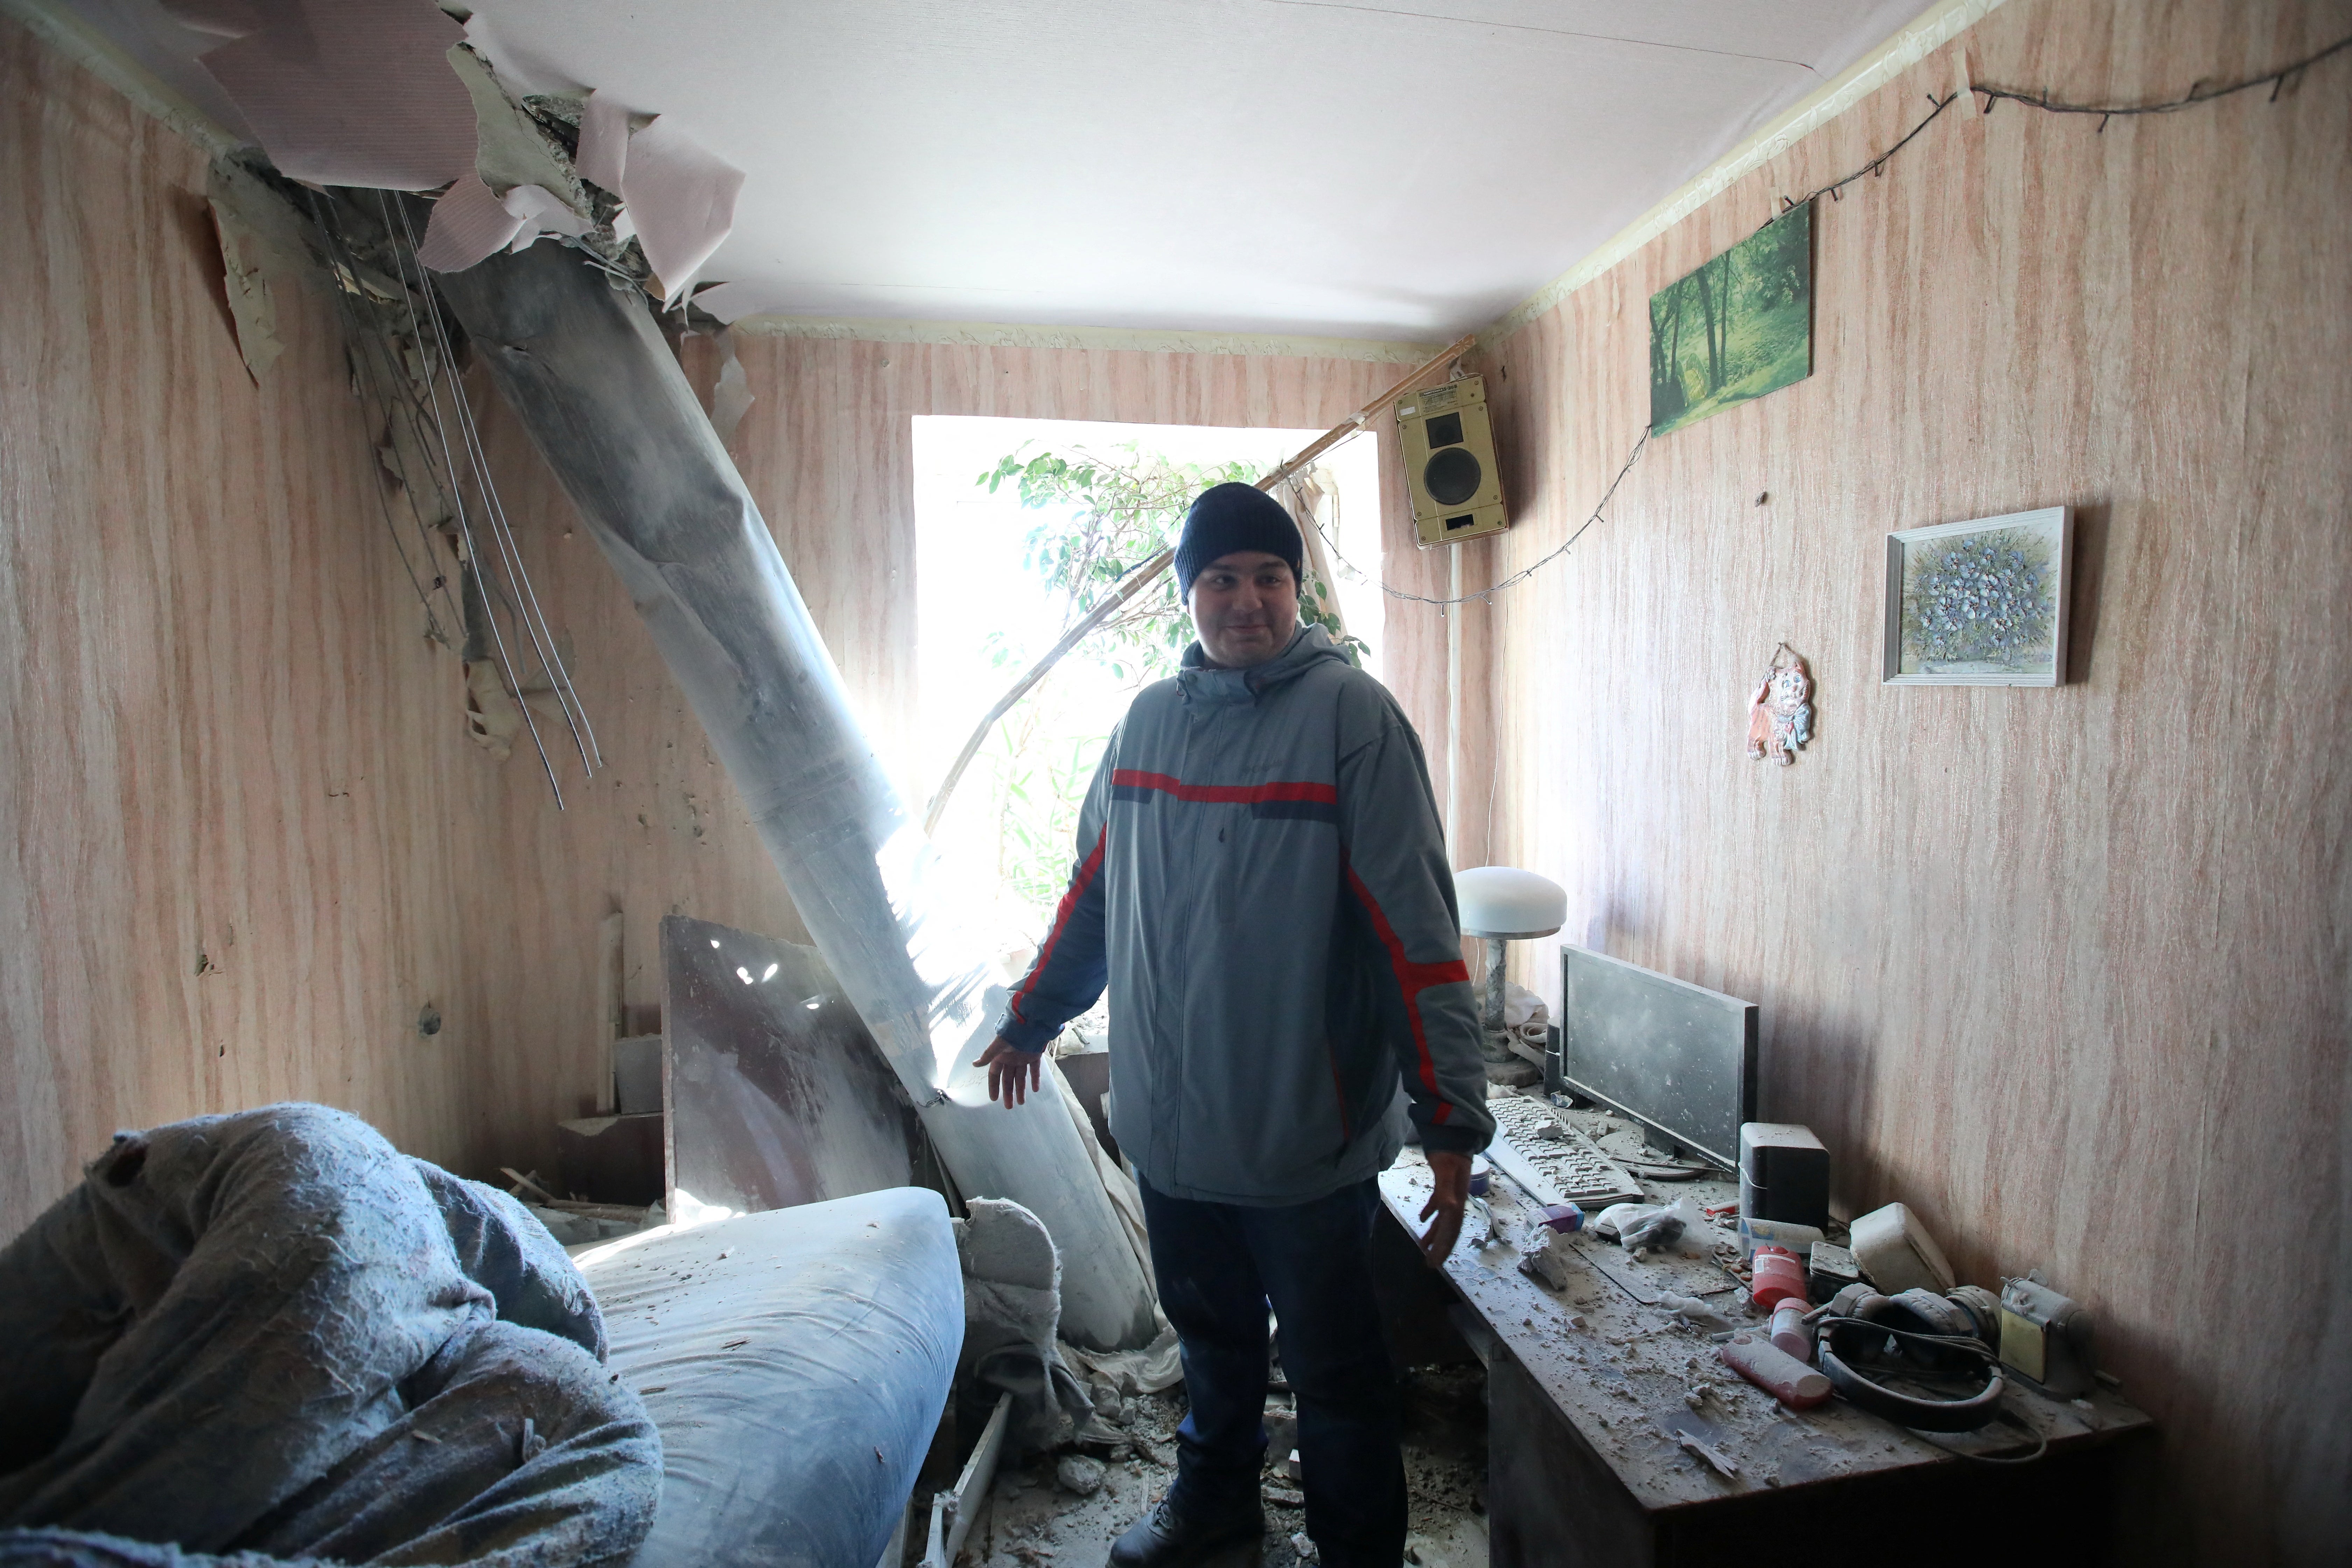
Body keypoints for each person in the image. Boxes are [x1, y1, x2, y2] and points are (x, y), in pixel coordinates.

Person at [973, 481, 1492, 1568]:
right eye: (1221, 579)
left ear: (1296, 591)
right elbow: (1095, 899)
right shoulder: (1147, 726)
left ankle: (1357, 1552)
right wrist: (1032, 1019)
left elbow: (1417, 933)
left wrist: (1451, 1116)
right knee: (1210, 1347)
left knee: (1336, 1369)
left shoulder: (1353, 720)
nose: (1246, 600)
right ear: (1189, 595)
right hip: (1172, 1135)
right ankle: (1216, 1510)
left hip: (1303, 1138)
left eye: (1268, 578)